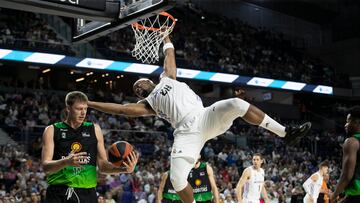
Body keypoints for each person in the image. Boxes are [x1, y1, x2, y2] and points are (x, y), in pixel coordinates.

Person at [87, 35, 311, 203]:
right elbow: (121, 109)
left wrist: (166, 38)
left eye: (139, 84)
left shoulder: (168, 78)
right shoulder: (148, 105)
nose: (137, 89)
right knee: (176, 179)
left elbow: (170, 56)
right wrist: (90, 103)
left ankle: (286, 133)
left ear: (149, 80)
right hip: (186, 133)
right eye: (136, 90)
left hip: (204, 117)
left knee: (237, 104)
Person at [41, 91, 139, 203]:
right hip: (58, 193)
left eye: (85, 109)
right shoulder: (52, 130)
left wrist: (124, 169)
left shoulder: (95, 129)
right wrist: (65, 162)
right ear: (68, 108)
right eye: (79, 109)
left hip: (87, 194)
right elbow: (45, 167)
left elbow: (102, 166)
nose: (83, 113)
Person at [330, 106, 360, 203]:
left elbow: (347, 175)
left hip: (356, 194)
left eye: (348, 121)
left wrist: (334, 195)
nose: (345, 125)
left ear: (357, 122)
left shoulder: (351, 142)